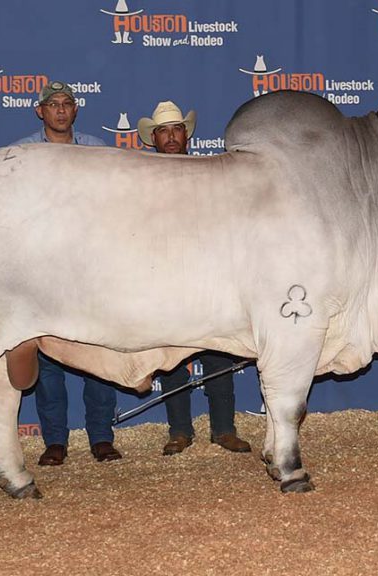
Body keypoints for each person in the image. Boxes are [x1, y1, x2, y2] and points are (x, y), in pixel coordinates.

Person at [12, 81, 122, 464]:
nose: (60, 109)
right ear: (39, 111)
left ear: (76, 110)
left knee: (98, 351)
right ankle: (55, 440)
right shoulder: (22, 154)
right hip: (42, 267)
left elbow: (116, 204)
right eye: (53, 104)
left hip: (92, 265)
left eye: (67, 103)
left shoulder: (97, 149)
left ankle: (101, 437)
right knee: (46, 356)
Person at [136, 101, 251, 456]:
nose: (171, 137)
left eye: (176, 130)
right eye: (163, 132)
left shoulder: (211, 170)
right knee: (172, 356)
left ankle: (224, 428)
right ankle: (180, 431)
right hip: (166, 276)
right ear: (153, 138)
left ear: (187, 134)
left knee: (220, 351)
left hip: (210, 272)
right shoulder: (142, 177)